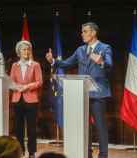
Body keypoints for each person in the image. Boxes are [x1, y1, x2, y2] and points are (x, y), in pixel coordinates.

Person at [46, 22, 112, 158]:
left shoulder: (105, 48)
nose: (82, 34)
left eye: (85, 31)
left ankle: (103, 155)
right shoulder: (80, 50)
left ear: (93, 33)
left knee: (100, 127)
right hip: (82, 94)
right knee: (84, 126)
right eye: (82, 32)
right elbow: (66, 63)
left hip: (98, 94)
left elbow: (109, 65)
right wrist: (53, 61)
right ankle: (87, 153)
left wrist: (101, 62)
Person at [10, 40, 43, 158]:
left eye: (28, 49)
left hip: (31, 99)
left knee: (32, 128)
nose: (27, 51)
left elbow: (39, 82)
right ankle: (20, 150)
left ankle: (32, 152)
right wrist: (17, 87)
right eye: (24, 49)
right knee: (18, 128)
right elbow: (11, 81)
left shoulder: (35, 65)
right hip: (17, 99)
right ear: (19, 52)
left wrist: (27, 86)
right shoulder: (15, 65)